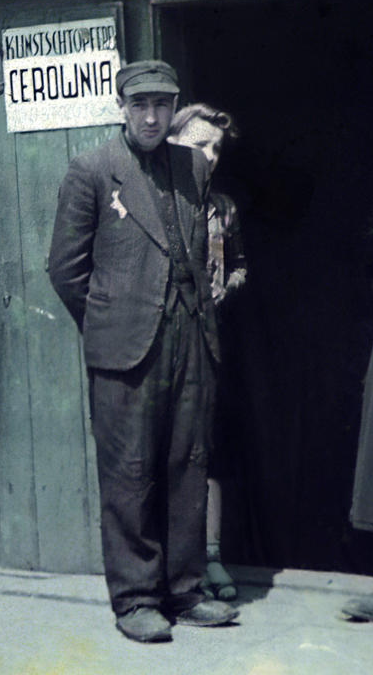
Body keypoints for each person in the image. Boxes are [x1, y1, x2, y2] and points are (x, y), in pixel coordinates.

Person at [47, 60, 239, 644]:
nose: (152, 117)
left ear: (173, 105)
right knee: (129, 475)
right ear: (122, 108)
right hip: (126, 350)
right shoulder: (92, 170)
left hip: (191, 340)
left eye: (162, 105)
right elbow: (65, 269)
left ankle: (184, 590)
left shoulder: (192, 165)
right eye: (140, 106)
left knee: (187, 465)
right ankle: (134, 600)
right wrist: (110, 321)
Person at [167, 103, 245, 602]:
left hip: (210, 344)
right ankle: (173, 564)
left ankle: (210, 556)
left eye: (216, 147)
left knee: (208, 450)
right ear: (174, 144)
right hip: (162, 345)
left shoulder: (224, 208)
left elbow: (239, 265)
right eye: (200, 145)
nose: (211, 156)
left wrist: (227, 287)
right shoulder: (157, 201)